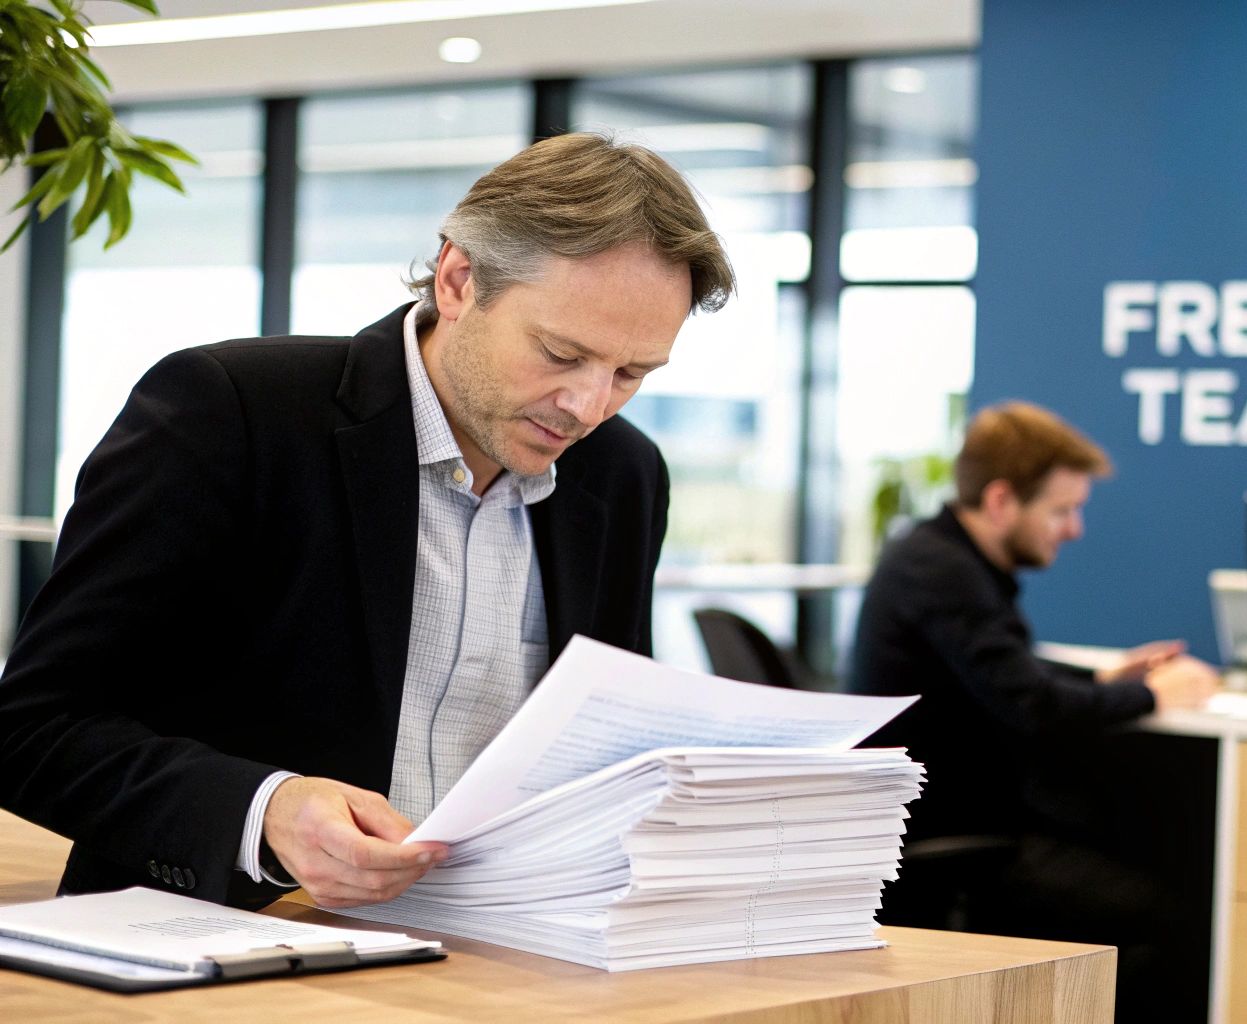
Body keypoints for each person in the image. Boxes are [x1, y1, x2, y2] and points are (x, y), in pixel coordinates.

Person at [0, 132, 735, 910]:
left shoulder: (622, 475)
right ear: (459, 280)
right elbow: (31, 729)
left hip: (518, 953)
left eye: (630, 374)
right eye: (559, 352)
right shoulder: (230, 411)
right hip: (231, 945)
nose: (587, 406)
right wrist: (266, 810)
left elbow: (605, 754)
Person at [848, 401, 1219, 1017]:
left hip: (944, 823)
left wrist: (1101, 677)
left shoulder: (935, 555)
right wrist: (1155, 695)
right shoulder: (946, 573)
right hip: (955, 838)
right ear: (1001, 502)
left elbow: (1000, 669)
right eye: (1062, 510)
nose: (1073, 529)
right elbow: (1033, 706)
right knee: (1173, 916)